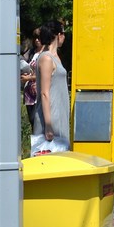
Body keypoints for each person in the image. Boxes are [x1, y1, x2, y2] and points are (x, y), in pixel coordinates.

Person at [31, 22, 70, 155]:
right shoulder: (46, 58)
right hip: (51, 117)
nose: (64, 37)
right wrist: (48, 124)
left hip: (59, 115)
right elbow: (44, 93)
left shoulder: (55, 57)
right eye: (63, 33)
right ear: (58, 35)